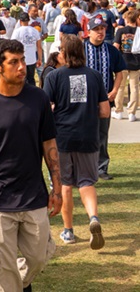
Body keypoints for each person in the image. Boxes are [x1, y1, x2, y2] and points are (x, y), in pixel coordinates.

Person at [0, 39, 61, 292]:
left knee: (39, 256)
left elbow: (49, 144)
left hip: (33, 193)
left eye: (22, 60)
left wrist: (57, 187)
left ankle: (14, 282)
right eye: (13, 62)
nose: (21, 67)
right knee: (2, 268)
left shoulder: (38, 98)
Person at [44, 34, 109, 248]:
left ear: (62, 53)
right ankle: (93, 218)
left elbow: (45, 108)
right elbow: (104, 110)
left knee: (65, 185)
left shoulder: (53, 77)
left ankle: (68, 230)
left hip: (62, 137)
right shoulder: (95, 75)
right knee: (87, 182)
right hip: (88, 136)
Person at [84, 14, 126, 181]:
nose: (100, 32)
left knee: (102, 134)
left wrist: (115, 91)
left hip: (104, 100)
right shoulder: (81, 48)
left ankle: (101, 167)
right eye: (96, 29)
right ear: (89, 32)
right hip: (84, 100)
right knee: (84, 134)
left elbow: (119, 73)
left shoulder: (111, 50)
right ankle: (84, 168)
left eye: (102, 29)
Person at [112, 8, 139, 121]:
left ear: (126, 19)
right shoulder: (139, 31)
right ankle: (132, 112)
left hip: (123, 61)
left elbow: (116, 46)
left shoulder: (121, 31)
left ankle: (118, 110)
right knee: (134, 88)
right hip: (137, 62)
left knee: (120, 87)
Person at [12, 12, 44, 85]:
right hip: (32, 59)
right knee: (31, 78)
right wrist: (39, 59)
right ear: (28, 20)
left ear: (20, 21)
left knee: (22, 79)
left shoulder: (17, 31)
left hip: (21, 59)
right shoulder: (35, 31)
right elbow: (39, 46)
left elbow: (12, 46)